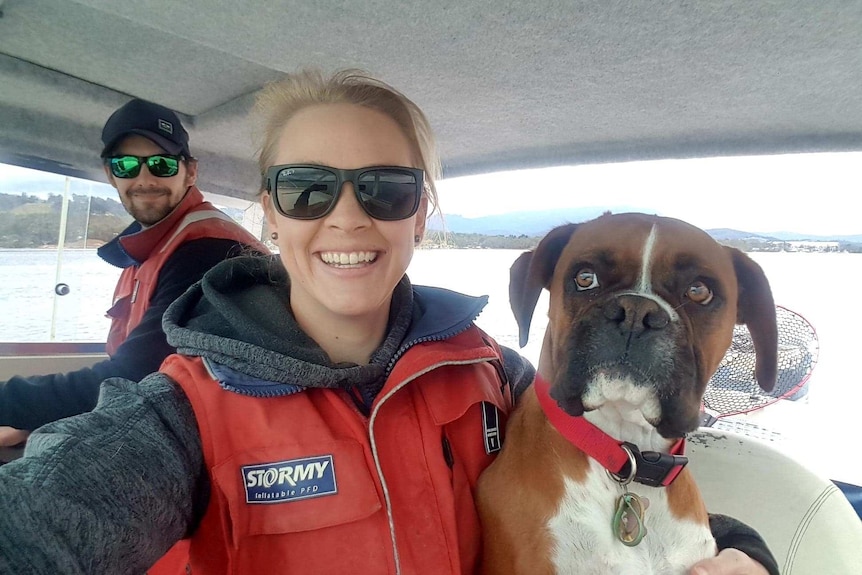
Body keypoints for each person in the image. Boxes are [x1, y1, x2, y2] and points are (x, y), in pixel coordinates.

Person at [0, 70, 778, 575]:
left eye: (385, 189)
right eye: (307, 188)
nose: (347, 216)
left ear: (421, 216)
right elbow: (47, 516)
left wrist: (745, 552)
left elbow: (620, 479)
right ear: (269, 213)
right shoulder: (180, 414)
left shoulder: (488, 374)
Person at [0, 98, 269, 447]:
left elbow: (134, 376)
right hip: (156, 426)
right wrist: (36, 419)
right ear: (111, 175)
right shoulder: (155, 246)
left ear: (190, 171)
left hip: (211, 449)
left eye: (161, 164)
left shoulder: (209, 252)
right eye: (127, 165)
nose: (144, 179)